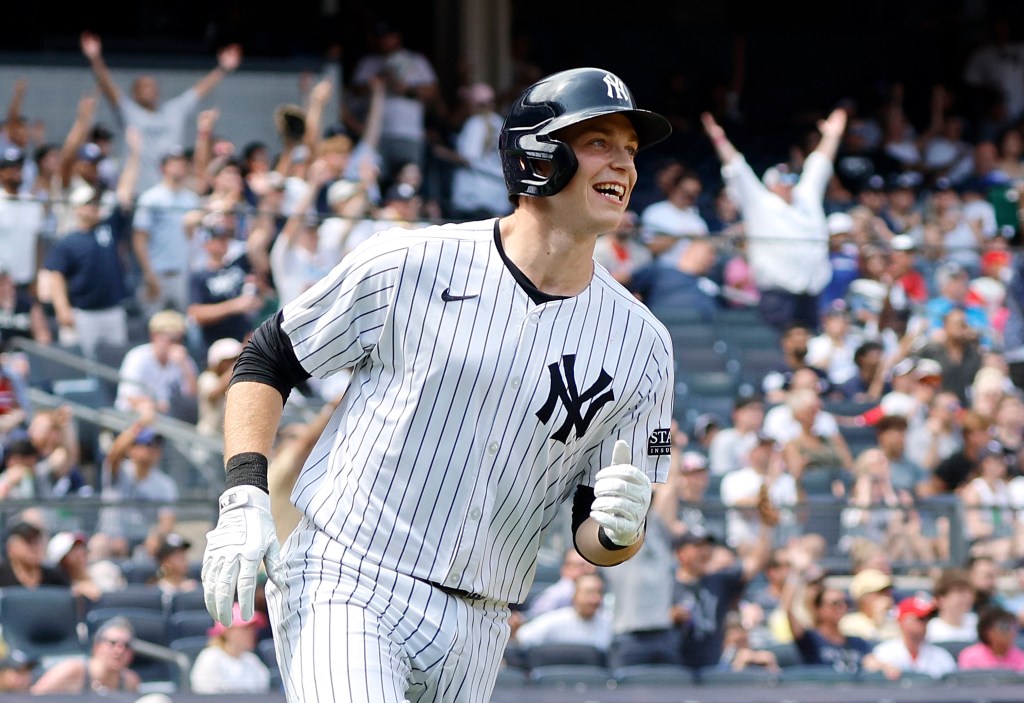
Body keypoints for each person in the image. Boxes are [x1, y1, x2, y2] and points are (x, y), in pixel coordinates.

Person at [201, 67, 674, 703]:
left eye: (631, 150)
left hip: (483, 620)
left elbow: (598, 535)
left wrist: (620, 529)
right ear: (537, 155)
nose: (624, 163)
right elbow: (267, 359)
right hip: (351, 574)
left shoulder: (643, 343)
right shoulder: (411, 260)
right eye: (599, 142)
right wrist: (243, 498)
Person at [701, 108, 846, 331]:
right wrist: (718, 138)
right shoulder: (761, 202)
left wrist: (832, 135)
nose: (788, 183)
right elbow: (738, 167)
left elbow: (820, 164)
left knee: (810, 347)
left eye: (791, 178)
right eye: (782, 179)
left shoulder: (806, 196)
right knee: (777, 354)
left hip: (812, 293)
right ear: (771, 184)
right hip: (777, 295)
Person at [80, 31, 242, 193]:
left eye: (153, 86)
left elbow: (198, 91)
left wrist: (222, 69)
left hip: (170, 192)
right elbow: (110, 89)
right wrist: (95, 58)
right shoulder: (130, 112)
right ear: (135, 93)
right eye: (144, 87)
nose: (150, 90)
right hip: (137, 192)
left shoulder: (173, 111)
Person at [40, 129, 140, 358]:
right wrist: (63, 308)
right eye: (87, 204)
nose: (93, 207)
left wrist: (135, 153)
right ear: (77, 208)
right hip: (82, 311)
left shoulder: (108, 226)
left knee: (116, 359)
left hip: (112, 310)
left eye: (94, 203)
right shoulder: (68, 240)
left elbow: (124, 194)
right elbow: (56, 275)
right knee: (82, 365)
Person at [132, 147, 202, 316]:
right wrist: (149, 275)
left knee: (184, 326)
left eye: (182, 163)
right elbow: (139, 239)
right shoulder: (151, 198)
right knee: (153, 324)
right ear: (163, 168)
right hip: (158, 273)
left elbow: (193, 238)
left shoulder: (191, 199)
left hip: (183, 274)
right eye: (174, 163)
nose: (179, 167)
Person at [114, 310, 198, 415]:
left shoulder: (183, 359)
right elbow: (131, 398)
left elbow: (193, 398)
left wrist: (185, 367)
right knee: (146, 409)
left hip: (171, 418)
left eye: (179, 340)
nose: (176, 345)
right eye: (171, 340)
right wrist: (160, 406)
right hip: (133, 418)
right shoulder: (138, 357)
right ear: (155, 336)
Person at [30, 616, 141, 694]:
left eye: (126, 646)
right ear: (96, 647)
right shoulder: (71, 671)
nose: (119, 650)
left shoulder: (130, 682)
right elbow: (33, 698)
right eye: (112, 643)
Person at [514, 572, 613, 651]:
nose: (595, 599)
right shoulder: (555, 619)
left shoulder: (609, 622)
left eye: (599, 593)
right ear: (574, 596)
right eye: (589, 593)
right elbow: (522, 638)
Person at [866, 594, 957, 680]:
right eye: (920, 618)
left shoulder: (942, 656)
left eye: (927, 618)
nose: (925, 623)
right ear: (903, 621)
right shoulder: (884, 653)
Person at [190, 602, 271, 693]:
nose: (252, 633)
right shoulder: (210, 658)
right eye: (245, 629)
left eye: (253, 629)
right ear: (228, 631)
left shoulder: (253, 661)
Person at [525, 547, 597, 619]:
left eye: (591, 565)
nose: (590, 570)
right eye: (582, 565)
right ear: (566, 568)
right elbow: (534, 621)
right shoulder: (557, 595)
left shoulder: (596, 592)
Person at [0, 519, 69, 588]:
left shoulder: (54, 578)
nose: (35, 548)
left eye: (37, 542)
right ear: (11, 547)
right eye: (29, 542)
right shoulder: (2, 575)